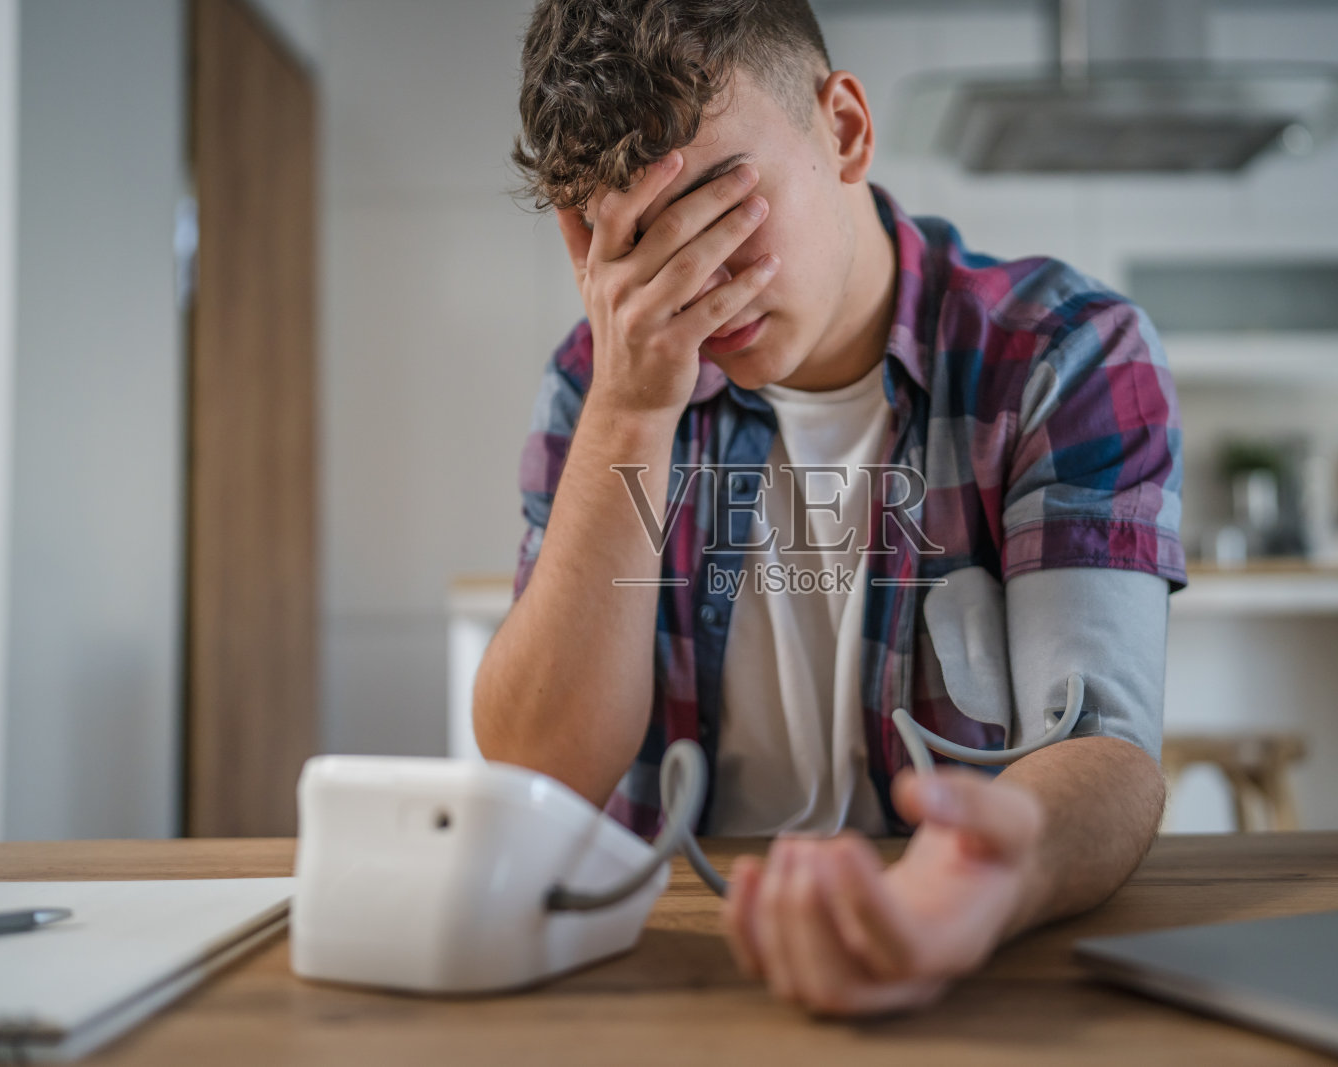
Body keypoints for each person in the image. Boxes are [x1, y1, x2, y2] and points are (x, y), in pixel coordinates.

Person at [475, 0, 1186, 1016]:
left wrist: (975, 884)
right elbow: (542, 768)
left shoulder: (1061, 352)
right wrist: (630, 409)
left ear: (844, 130)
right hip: (667, 973)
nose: (700, 282)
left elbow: (1107, 751)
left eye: (721, 202)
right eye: (643, 238)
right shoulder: (598, 381)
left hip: (978, 970)